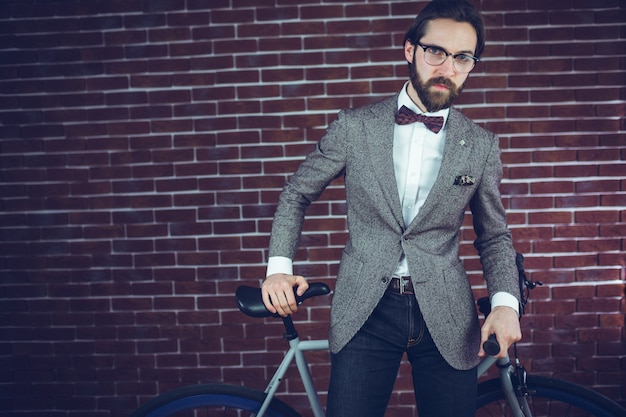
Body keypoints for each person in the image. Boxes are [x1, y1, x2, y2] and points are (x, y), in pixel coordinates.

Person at [261, 0, 522, 416]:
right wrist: (278, 269)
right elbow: (296, 193)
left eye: (463, 58)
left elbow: (494, 236)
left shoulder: (481, 146)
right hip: (366, 307)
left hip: (448, 315)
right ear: (410, 50)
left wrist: (505, 303)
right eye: (436, 51)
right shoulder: (354, 127)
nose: (447, 68)